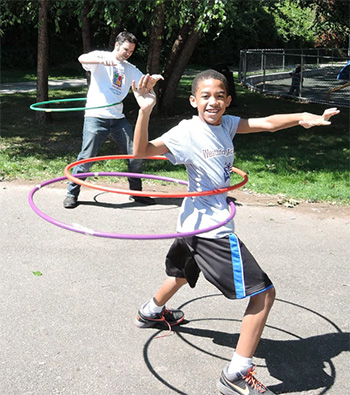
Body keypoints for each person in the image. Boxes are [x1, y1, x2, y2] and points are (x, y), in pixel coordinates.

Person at [131, 70, 339, 394]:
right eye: (205, 96)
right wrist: (145, 110)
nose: (212, 102)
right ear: (193, 101)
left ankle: (151, 311)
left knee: (185, 273)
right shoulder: (187, 132)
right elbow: (142, 152)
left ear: (227, 101)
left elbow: (267, 123)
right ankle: (237, 373)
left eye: (218, 96)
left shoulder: (227, 124)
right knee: (263, 293)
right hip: (209, 229)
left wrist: (303, 117)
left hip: (192, 224)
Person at [63, 31, 163, 208]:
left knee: (136, 154)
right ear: (117, 45)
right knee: (87, 157)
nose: (128, 53)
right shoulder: (101, 57)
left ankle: (136, 194)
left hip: (118, 119)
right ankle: (72, 193)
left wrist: (152, 80)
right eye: (126, 49)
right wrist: (101, 61)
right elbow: (82, 58)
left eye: (131, 51)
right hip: (95, 117)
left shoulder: (129, 69)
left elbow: (144, 83)